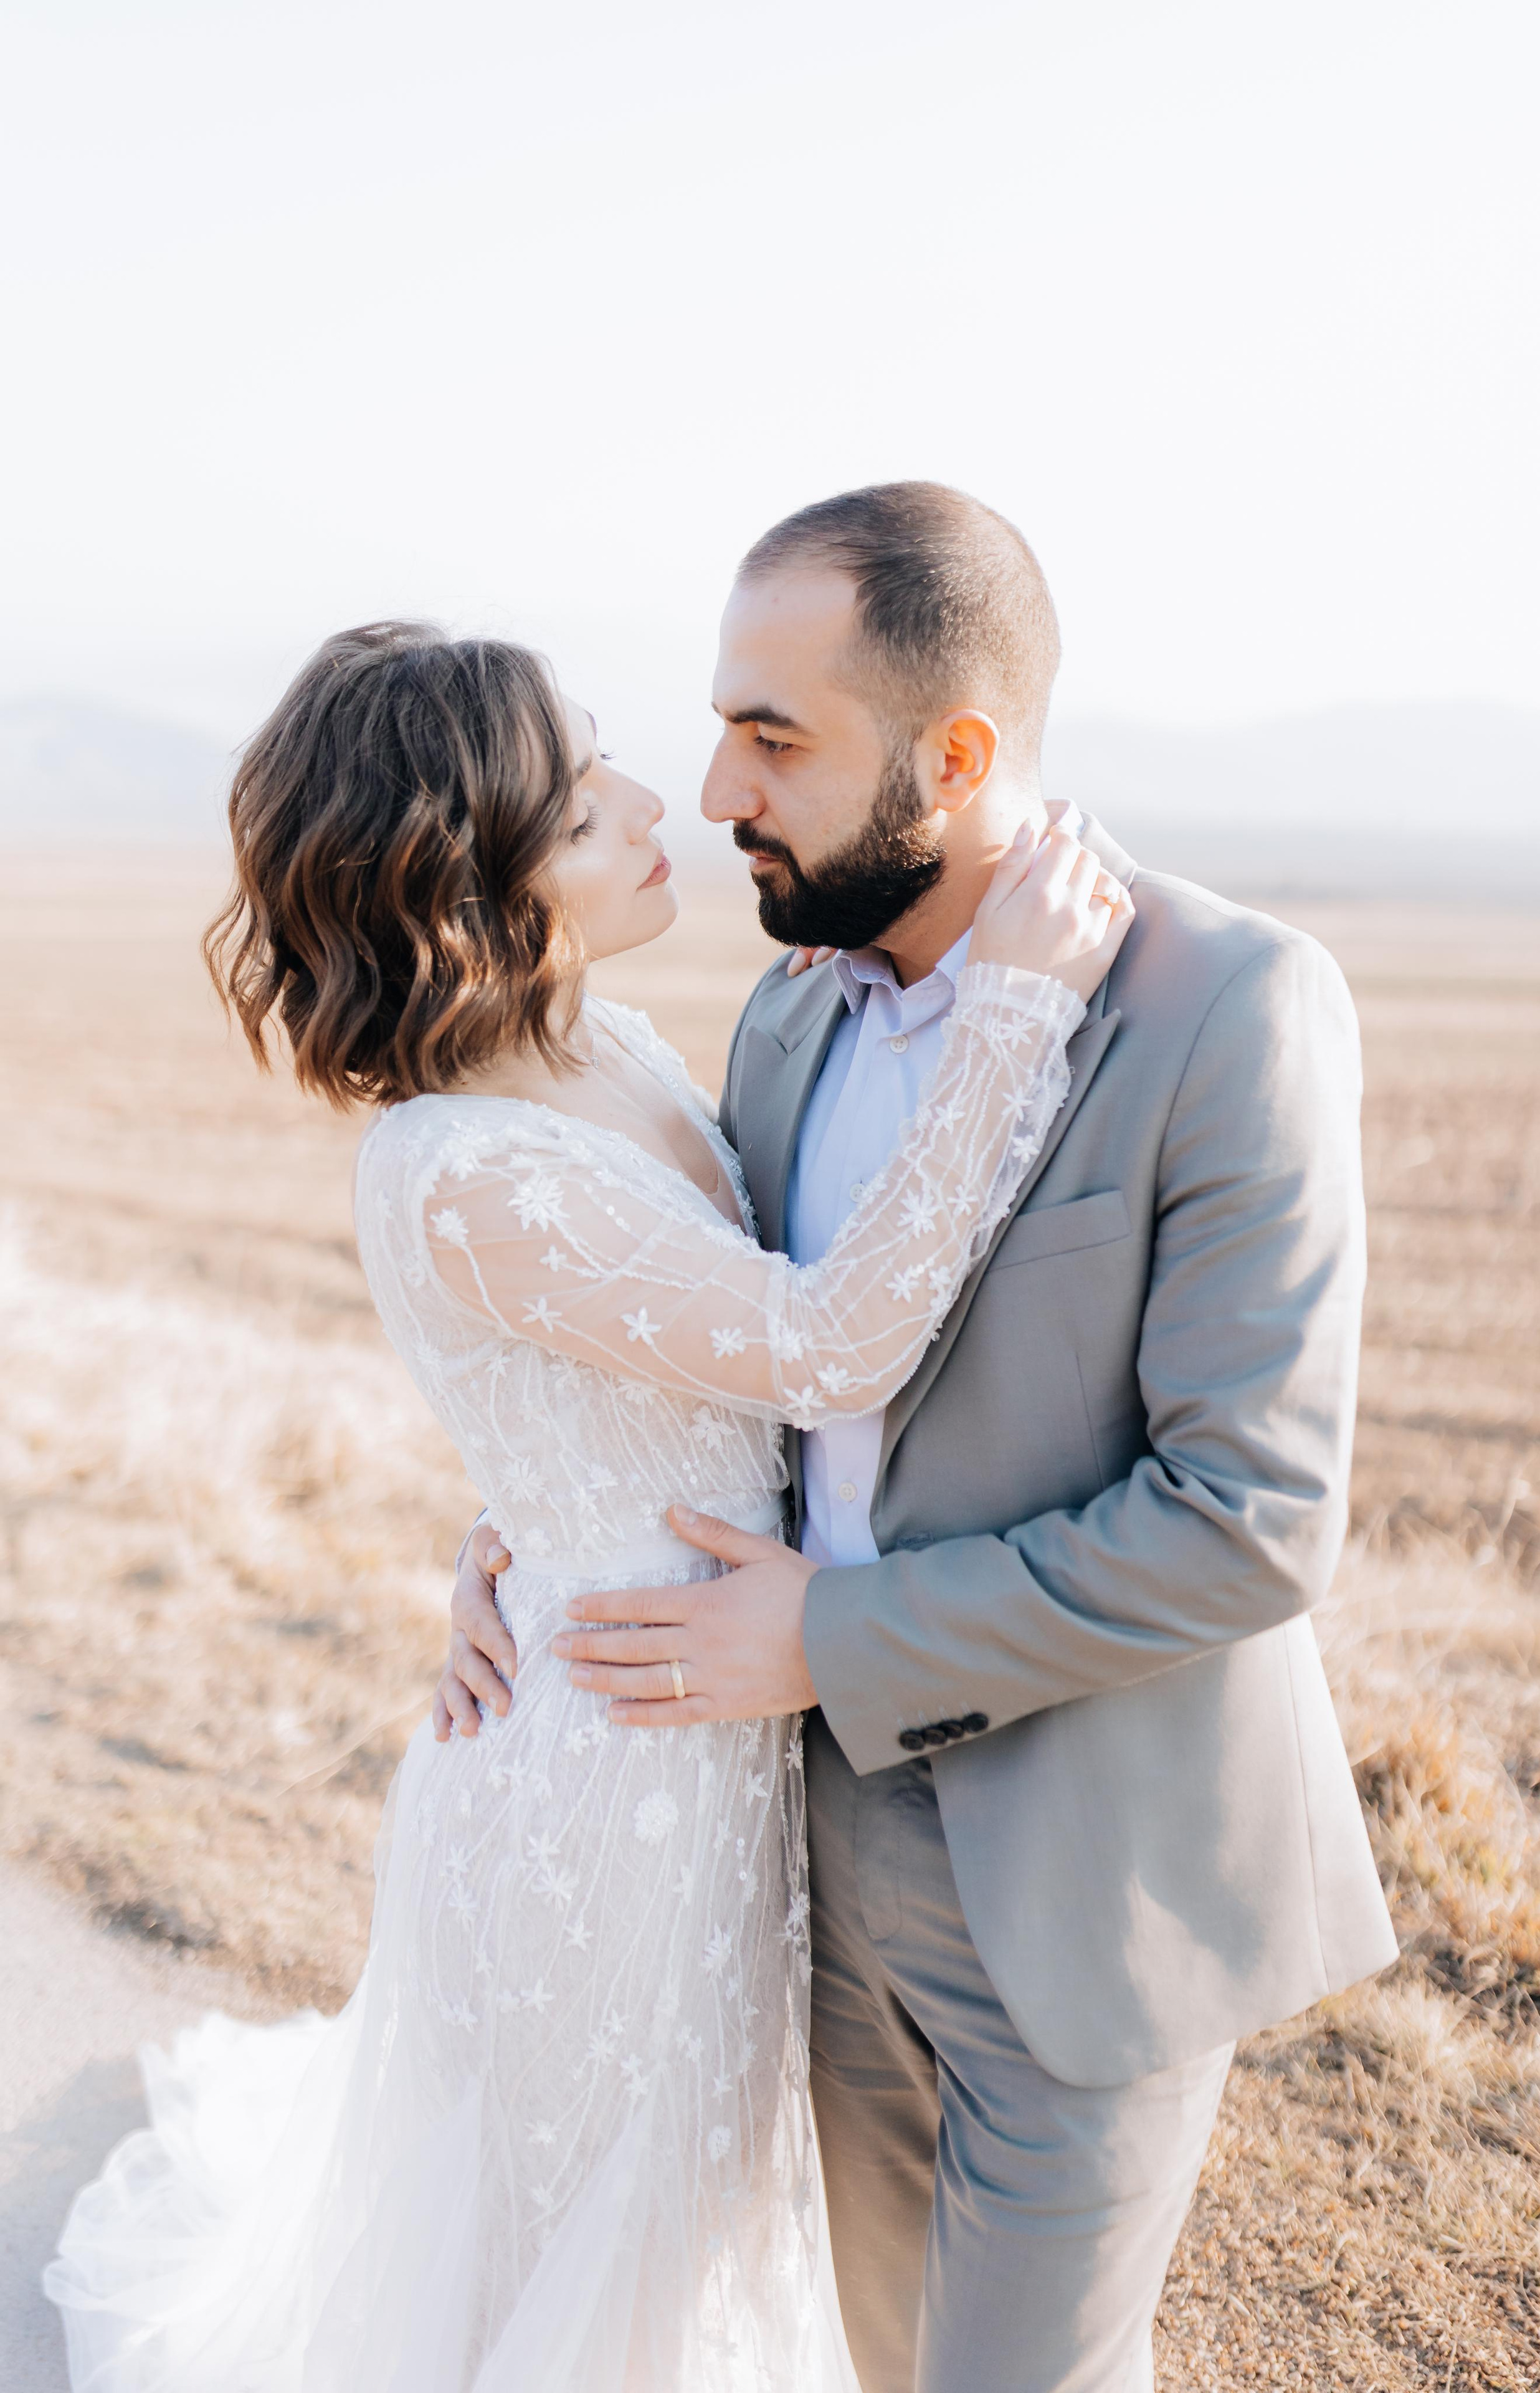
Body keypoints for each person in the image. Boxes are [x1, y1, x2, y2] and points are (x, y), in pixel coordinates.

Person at [44, 616, 1131, 2391]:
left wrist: (513, 1529)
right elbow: (825, 1341)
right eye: (574, 808)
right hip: (602, 1776)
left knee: (681, 2212)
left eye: (606, 760)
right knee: (596, 2246)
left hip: (686, 1711)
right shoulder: (453, 1164)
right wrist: (1021, 1001)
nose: (653, 807)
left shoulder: (606, 1042)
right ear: (456, 890)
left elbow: (613, 1386)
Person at [440, 482, 1399, 2393]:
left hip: (1095, 1871)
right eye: (721, 726)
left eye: (774, 739)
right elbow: (722, 1370)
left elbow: (1252, 1518)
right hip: (792, 1860)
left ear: (954, 761)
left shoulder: (1231, 1008)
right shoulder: (787, 1023)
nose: (717, 789)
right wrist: (517, 1534)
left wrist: (835, 1641)